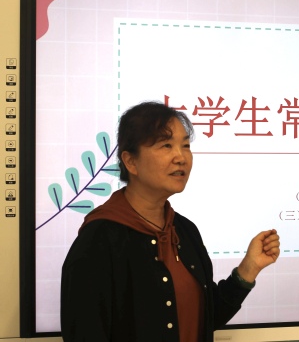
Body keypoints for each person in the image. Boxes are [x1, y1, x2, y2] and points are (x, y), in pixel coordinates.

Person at [61, 101, 280, 342]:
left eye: (185, 146)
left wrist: (249, 269)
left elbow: (205, 318)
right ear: (131, 161)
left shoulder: (184, 230)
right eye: (166, 145)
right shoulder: (99, 240)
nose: (181, 157)